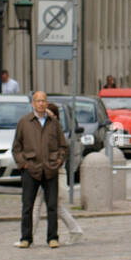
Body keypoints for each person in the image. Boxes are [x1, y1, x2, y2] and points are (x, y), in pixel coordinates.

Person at [11, 91, 67, 248]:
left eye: (43, 101)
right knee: (27, 206)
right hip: (31, 169)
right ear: (33, 103)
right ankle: (26, 238)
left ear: (47, 103)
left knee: (52, 206)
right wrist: (24, 164)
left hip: (50, 169)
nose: (41, 104)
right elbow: (16, 148)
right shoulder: (24, 122)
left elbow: (63, 146)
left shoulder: (53, 123)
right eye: (38, 101)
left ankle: (52, 238)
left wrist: (59, 161)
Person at [33, 103, 84, 242]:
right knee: (39, 204)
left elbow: (62, 151)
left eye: (48, 113)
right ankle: (28, 235)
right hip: (42, 171)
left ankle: (75, 230)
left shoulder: (56, 130)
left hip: (54, 172)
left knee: (50, 205)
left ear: (55, 116)